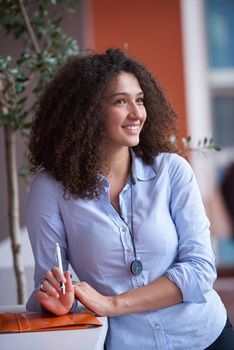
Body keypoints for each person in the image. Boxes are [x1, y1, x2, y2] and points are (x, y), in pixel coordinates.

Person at [26, 48, 233, 350]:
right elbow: (45, 290)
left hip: (206, 337)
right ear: (88, 112)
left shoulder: (172, 171)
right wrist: (58, 303)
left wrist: (113, 303)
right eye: (121, 101)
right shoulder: (51, 190)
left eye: (139, 99)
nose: (137, 113)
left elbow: (200, 270)